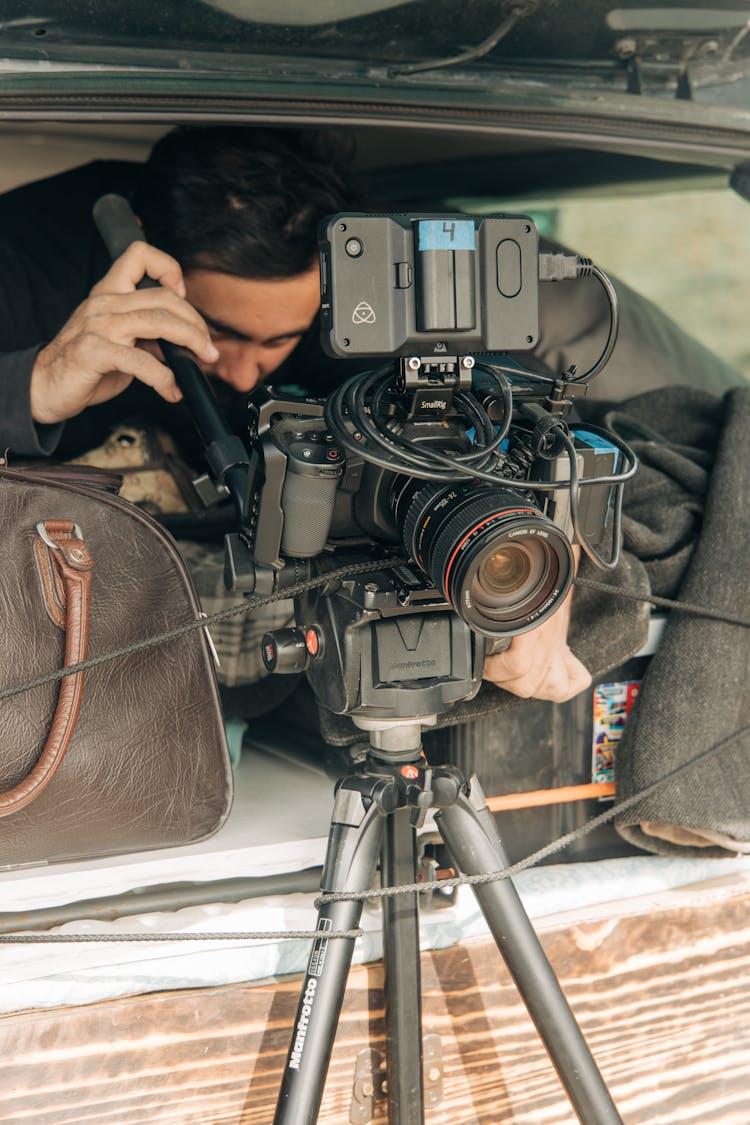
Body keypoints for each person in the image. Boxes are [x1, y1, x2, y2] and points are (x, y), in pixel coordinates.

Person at [0, 125, 741, 710]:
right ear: (139, 246)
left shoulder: (356, 298)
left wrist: (543, 537)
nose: (245, 370)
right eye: (215, 330)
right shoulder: (24, 262)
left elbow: (505, 399)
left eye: (278, 340)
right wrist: (33, 388)